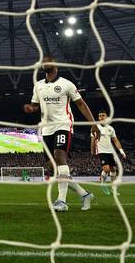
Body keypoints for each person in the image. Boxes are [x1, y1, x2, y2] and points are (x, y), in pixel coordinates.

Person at [23, 56, 99, 212]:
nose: (45, 63)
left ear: (55, 65)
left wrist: (93, 124)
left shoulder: (66, 84)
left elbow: (81, 104)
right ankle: (84, 194)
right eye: (43, 62)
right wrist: (31, 109)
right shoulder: (38, 86)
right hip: (46, 129)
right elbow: (36, 105)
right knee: (54, 168)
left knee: (59, 157)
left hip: (63, 125)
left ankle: (61, 201)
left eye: (48, 61)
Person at [93, 109, 127, 195]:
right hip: (101, 151)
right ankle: (102, 183)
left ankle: (113, 189)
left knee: (113, 170)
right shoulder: (96, 127)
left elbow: (115, 140)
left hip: (110, 152)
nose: (101, 117)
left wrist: (121, 151)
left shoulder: (110, 128)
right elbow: (93, 139)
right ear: (98, 117)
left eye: (103, 115)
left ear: (106, 117)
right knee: (106, 169)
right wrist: (93, 150)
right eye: (100, 115)